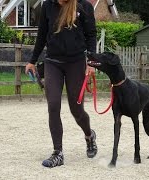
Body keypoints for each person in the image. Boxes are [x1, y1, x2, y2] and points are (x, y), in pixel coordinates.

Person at [25, 0, 97, 168]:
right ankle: (58, 153)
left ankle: (89, 136)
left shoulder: (83, 6)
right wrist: (32, 61)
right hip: (53, 62)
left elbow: (91, 35)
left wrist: (91, 62)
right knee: (53, 105)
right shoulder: (47, 6)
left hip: (76, 62)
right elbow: (42, 35)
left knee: (76, 109)